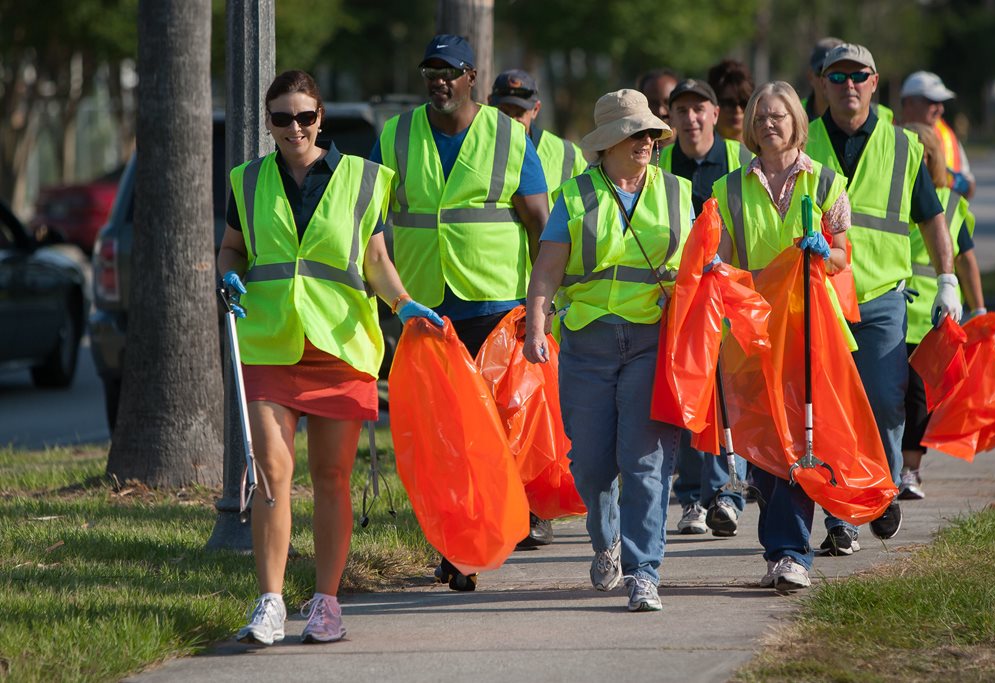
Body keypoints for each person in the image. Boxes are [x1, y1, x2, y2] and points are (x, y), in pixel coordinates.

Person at [219, 70, 442, 645]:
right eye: (281, 118)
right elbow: (233, 247)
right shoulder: (245, 181)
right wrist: (228, 277)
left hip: (342, 347)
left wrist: (403, 301)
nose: (294, 128)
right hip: (270, 343)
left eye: (304, 117)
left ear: (321, 119)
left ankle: (326, 603)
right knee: (271, 474)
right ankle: (270, 603)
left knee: (332, 477)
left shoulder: (365, 179)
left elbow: (375, 258)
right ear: (268, 124)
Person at [371, 35, 550, 589]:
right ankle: (455, 547)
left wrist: (542, 306)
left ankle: (498, 520)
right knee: (446, 433)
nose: (438, 80)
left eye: (449, 70)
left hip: (497, 308)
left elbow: (543, 226)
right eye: (431, 70)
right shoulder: (397, 135)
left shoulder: (507, 136)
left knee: (496, 428)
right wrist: (392, 296)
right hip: (428, 310)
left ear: (472, 75)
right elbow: (370, 219)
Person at [523, 89, 691, 611]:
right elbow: (548, 269)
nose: (643, 142)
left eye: (648, 133)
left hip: (651, 341)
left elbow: (698, 266)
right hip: (588, 343)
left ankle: (645, 572)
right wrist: (535, 328)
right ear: (607, 143)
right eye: (632, 133)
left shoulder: (678, 191)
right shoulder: (574, 195)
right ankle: (607, 543)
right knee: (592, 466)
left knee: (644, 461)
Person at [805, 43, 961, 555]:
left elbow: (933, 219)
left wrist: (947, 280)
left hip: (881, 298)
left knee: (886, 405)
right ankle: (841, 518)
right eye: (837, 77)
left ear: (875, 83)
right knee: (831, 410)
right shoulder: (804, 144)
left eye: (859, 76)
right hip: (821, 298)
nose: (848, 86)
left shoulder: (903, 147)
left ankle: (882, 489)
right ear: (822, 85)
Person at [712, 80, 851, 590]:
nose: (769, 124)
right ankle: (780, 550)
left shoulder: (827, 182)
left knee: (802, 439)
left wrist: (823, 250)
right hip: (751, 333)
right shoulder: (728, 188)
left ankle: (794, 551)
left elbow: (840, 257)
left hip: (810, 331)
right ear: (750, 125)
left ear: (796, 121)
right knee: (765, 445)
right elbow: (723, 259)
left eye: (779, 116)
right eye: (760, 116)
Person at [658, 77, 752, 537]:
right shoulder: (659, 163)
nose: (691, 118)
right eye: (682, 111)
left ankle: (727, 493)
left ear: (716, 113)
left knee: (727, 394)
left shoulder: (740, 160)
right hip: (680, 299)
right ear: (669, 119)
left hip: (731, 293)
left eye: (700, 109)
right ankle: (696, 496)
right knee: (690, 393)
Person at [900, 122, 986, 499]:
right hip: (892, 315)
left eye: (923, 156)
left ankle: (910, 470)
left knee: (918, 401)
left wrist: (979, 308)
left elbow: (967, 260)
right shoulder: (890, 199)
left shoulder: (951, 204)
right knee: (888, 398)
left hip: (933, 322)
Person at [489, 69, 588, 209]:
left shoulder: (568, 154)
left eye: (519, 113)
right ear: (489, 104)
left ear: (535, 109)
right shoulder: (475, 145)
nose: (511, 121)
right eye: (504, 113)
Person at [900, 71, 975, 199]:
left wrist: (957, 183)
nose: (940, 109)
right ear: (909, 103)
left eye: (941, 103)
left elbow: (970, 187)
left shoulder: (947, 137)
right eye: (932, 101)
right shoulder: (889, 134)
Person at [707, 59, 755, 143]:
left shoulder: (765, 151)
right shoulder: (698, 151)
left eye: (744, 102)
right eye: (729, 103)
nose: (738, 110)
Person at [803, 37, 844, 122]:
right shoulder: (793, 113)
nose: (830, 79)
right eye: (822, 71)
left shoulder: (877, 115)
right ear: (810, 76)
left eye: (839, 73)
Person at [638, 68, 680, 148]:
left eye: (667, 103)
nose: (661, 111)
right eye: (653, 103)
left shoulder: (697, 151)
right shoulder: (631, 151)